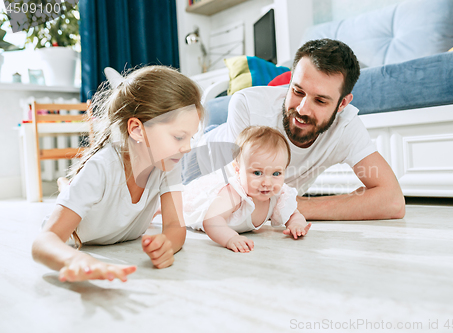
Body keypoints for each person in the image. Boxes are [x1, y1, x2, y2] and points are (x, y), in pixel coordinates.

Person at [183, 39, 405, 221]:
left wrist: (295, 205)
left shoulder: (346, 126)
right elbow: (242, 195)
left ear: (342, 104)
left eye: (320, 100)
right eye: (298, 91)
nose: (302, 110)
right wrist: (281, 205)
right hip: (195, 161)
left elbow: (393, 201)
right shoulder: (248, 106)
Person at [32, 65, 203, 282]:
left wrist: (167, 244)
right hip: (84, 231)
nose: (187, 148)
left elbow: (174, 226)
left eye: (191, 137)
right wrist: (73, 260)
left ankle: (66, 186)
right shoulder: (101, 167)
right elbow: (43, 241)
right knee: (73, 190)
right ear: (137, 130)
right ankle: (65, 186)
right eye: (179, 137)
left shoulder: (167, 163)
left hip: (119, 225)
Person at [183, 126, 312, 252]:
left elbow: (294, 214)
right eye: (257, 173)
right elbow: (211, 221)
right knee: (178, 203)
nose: (267, 182)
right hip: (196, 205)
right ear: (238, 170)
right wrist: (230, 238)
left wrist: (296, 225)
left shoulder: (278, 195)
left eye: (276, 174)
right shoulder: (234, 193)